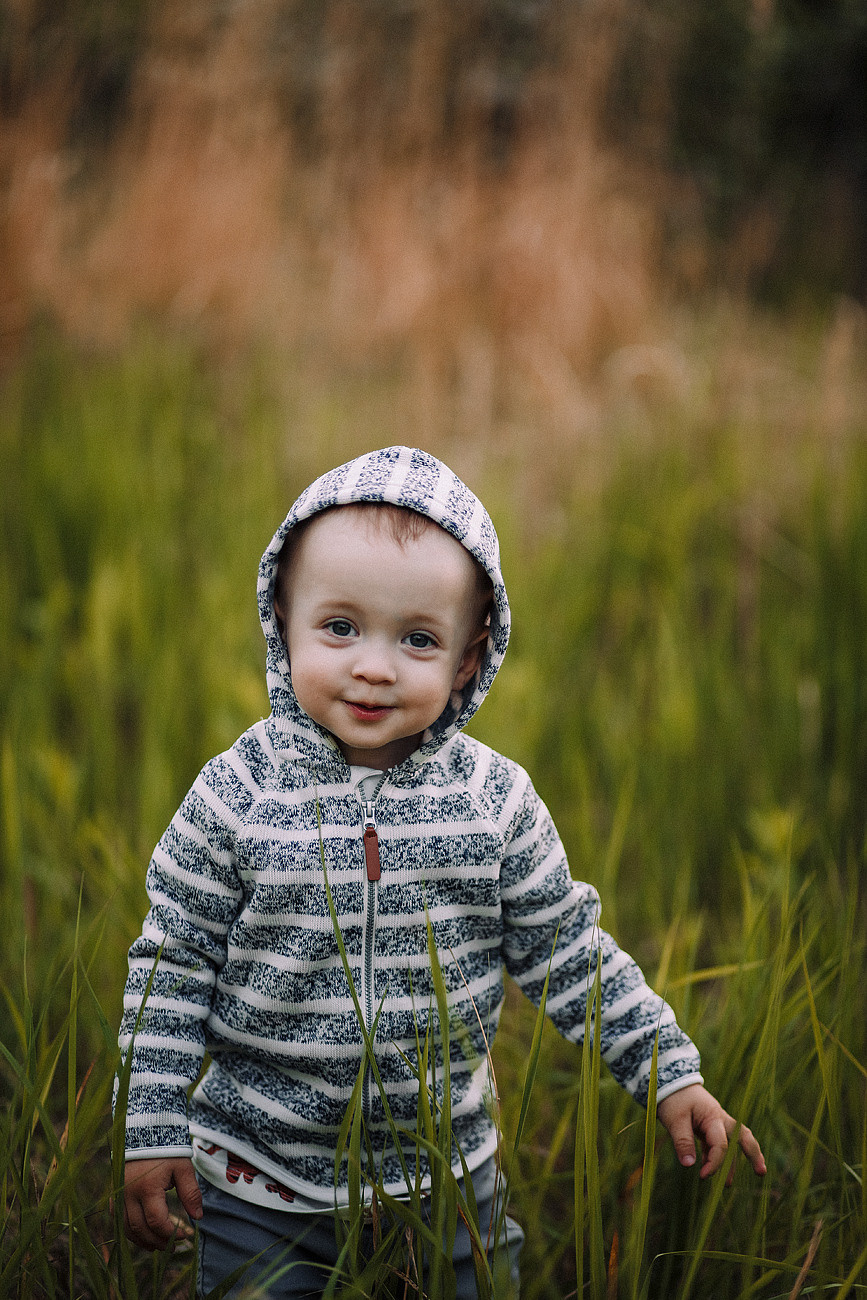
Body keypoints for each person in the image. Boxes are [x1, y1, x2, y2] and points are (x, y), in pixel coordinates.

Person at [118, 446, 765, 1297]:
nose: (374, 666)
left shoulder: (493, 802)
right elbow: (174, 962)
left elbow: (566, 951)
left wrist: (666, 1069)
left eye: (417, 639)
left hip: (446, 1180)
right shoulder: (238, 793)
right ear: (281, 616)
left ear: (466, 659)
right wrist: (152, 1123)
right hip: (256, 1180)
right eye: (339, 627)